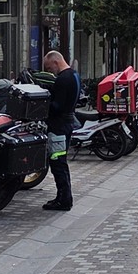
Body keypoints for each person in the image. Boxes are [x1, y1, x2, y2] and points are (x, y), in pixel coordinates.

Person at [42, 50, 78, 211]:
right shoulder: (74, 75)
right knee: (61, 162)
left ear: (56, 62)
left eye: (50, 68)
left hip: (59, 127)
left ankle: (64, 200)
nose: (50, 71)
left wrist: (44, 105)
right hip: (67, 123)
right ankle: (63, 197)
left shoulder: (63, 79)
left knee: (58, 163)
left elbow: (58, 106)